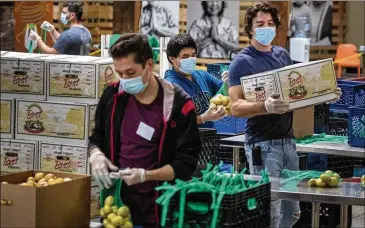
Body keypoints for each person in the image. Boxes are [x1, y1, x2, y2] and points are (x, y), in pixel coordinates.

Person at [227, 2, 341, 228]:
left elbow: (295, 95)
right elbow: (236, 107)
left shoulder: (282, 55)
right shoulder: (241, 62)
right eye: (259, 24)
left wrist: (323, 95)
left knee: (293, 211)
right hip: (262, 144)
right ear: (250, 28)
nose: (265, 28)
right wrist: (264, 106)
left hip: (289, 142)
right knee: (270, 212)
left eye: (270, 23)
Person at [88, 33, 201, 227]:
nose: (124, 79)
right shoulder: (113, 96)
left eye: (130, 73)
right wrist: (95, 155)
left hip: (161, 210)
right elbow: (96, 138)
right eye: (119, 73)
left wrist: (146, 175)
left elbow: (186, 163)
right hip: (118, 209)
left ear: (149, 65)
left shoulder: (178, 104)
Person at [164, 33, 227, 128]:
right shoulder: (170, 86)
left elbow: (223, 90)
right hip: (186, 142)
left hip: (208, 139)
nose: (190, 59)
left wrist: (229, 82)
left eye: (193, 55)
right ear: (172, 58)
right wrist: (203, 118)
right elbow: (173, 122)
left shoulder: (202, 75)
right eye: (185, 57)